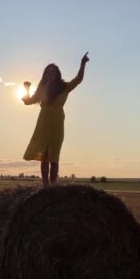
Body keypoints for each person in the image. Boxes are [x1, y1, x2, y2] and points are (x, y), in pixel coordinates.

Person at [22, 52, 90, 186]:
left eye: (53, 71)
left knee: (54, 156)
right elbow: (28, 102)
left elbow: (78, 79)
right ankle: (45, 185)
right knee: (44, 156)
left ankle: (53, 186)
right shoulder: (42, 90)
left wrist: (82, 64)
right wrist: (27, 89)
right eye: (47, 72)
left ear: (57, 73)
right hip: (43, 124)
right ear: (45, 75)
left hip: (58, 124)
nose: (50, 74)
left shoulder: (65, 87)